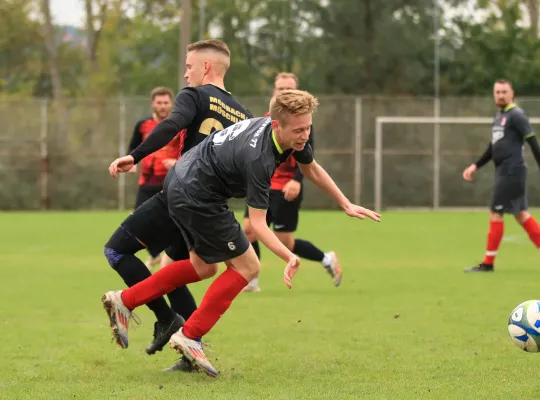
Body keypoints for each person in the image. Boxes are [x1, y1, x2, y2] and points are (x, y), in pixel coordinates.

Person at [101, 89, 381, 377]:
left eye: (308, 127)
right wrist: (288, 256)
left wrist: (345, 203)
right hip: (198, 194)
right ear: (275, 124)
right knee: (248, 266)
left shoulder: (288, 135)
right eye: (299, 130)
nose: (305, 135)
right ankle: (190, 336)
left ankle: (126, 300)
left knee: (204, 266)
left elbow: (312, 169)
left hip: (181, 183)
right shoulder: (259, 157)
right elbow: (257, 225)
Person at [103, 39, 253, 360]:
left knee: (116, 251)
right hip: (211, 206)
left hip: (182, 194)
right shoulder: (244, 115)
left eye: (188, 66)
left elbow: (171, 125)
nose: (186, 75)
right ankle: (187, 344)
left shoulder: (195, 95)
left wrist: (136, 155)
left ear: (206, 67)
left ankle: (163, 317)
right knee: (183, 268)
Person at [242, 72, 341, 293]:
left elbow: (308, 158)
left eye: (289, 89)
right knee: (248, 229)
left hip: (287, 188)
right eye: (280, 89)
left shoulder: (302, 123)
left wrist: (297, 180)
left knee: (284, 241)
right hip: (264, 186)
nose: (284, 93)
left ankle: (326, 258)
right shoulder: (268, 120)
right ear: (274, 92)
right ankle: (252, 279)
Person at [462, 79, 540, 273]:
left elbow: (533, 141)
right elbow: (493, 148)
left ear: (512, 93)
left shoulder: (516, 115)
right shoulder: (499, 116)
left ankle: (488, 263)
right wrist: (476, 165)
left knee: (496, 213)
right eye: (497, 92)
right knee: (521, 214)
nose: (500, 95)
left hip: (511, 170)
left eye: (504, 92)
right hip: (505, 171)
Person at [127, 86, 179, 270]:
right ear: (153, 104)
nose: (163, 106)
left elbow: (190, 152)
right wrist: (131, 162)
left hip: (171, 182)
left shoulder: (178, 125)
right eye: (159, 103)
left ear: (171, 103)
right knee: (137, 220)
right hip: (147, 181)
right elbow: (133, 147)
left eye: (166, 102)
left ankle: (169, 256)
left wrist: (176, 161)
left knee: (172, 221)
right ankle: (156, 253)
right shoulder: (143, 125)